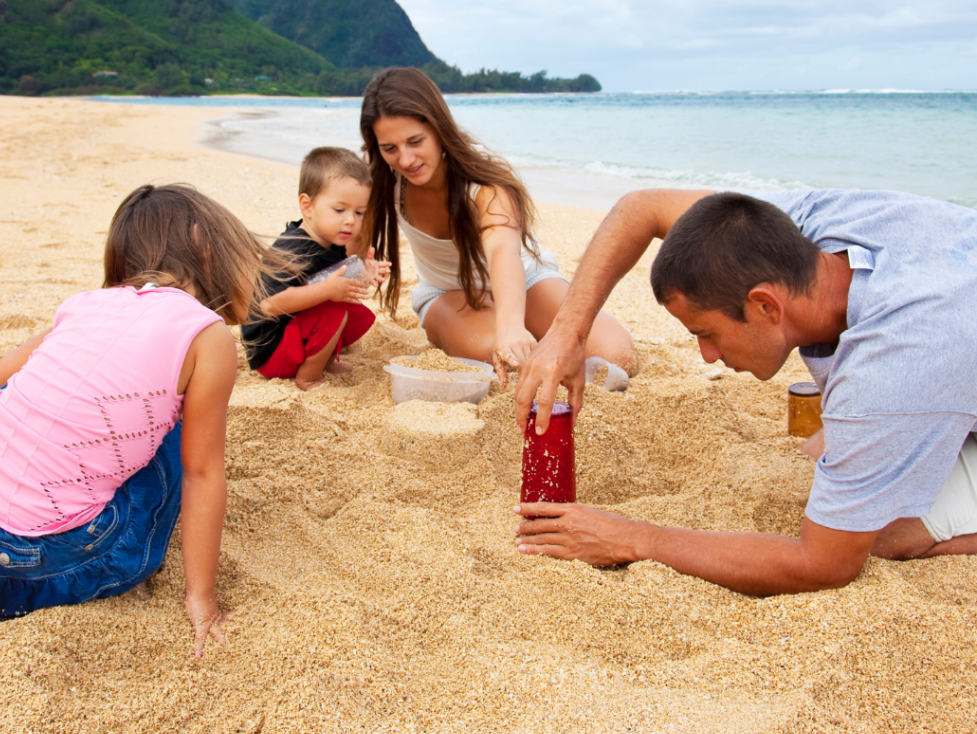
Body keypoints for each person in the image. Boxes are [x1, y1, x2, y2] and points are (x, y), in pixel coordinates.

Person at [513, 188, 977, 595]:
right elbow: (643, 208)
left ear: (765, 305)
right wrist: (567, 333)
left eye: (707, 333)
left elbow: (824, 565)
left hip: (934, 351)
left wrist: (633, 538)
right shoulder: (801, 226)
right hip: (945, 344)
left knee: (883, 534)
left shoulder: (892, 364)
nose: (706, 356)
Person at [0, 183, 281, 657]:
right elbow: (202, 474)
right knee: (177, 430)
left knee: (28, 390)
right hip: (32, 566)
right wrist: (201, 597)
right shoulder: (207, 336)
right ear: (207, 246)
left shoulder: (83, 304)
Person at [359, 67, 634, 385]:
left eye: (415, 141)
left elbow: (504, 251)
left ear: (438, 129)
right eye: (389, 148)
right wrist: (356, 263)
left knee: (616, 354)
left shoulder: (485, 185)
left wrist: (511, 324)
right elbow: (342, 227)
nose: (405, 160)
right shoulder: (380, 182)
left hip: (526, 278)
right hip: (448, 292)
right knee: (508, 360)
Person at [241, 146, 388, 390]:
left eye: (359, 212)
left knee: (356, 312)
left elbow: (331, 276)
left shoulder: (329, 238)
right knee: (334, 310)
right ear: (307, 206)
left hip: (291, 335)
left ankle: (325, 360)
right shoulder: (295, 250)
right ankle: (308, 377)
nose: (350, 220)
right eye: (339, 210)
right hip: (270, 352)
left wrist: (365, 269)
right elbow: (269, 305)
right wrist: (327, 291)